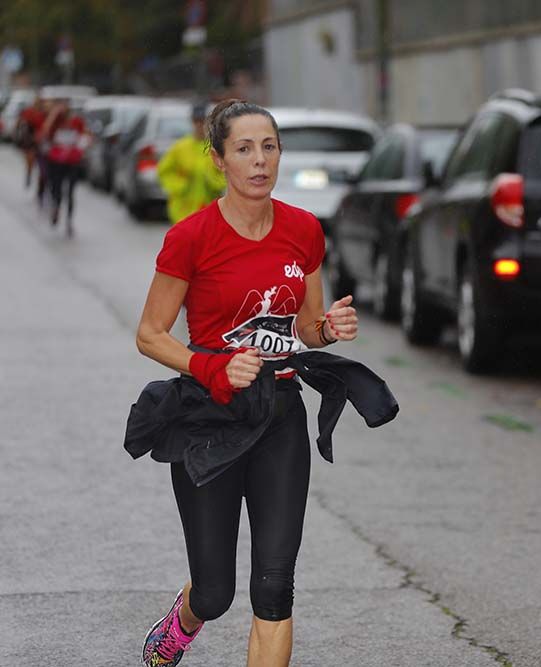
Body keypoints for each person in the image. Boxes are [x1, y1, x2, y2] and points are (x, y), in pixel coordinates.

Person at [134, 99, 365, 667]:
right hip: (209, 417)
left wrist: (328, 328)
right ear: (218, 159)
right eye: (244, 149)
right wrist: (211, 366)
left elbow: (307, 327)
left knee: (274, 588)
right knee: (216, 593)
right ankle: (185, 617)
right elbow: (150, 334)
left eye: (269, 147)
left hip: (279, 413)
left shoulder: (303, 230)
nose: (260, 161)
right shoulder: (191, 239)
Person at [157, 102, 226, 224]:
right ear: (192, 122)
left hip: (209, 214)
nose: (200, 125)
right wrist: (179, 186)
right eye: (197, 121)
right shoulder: (180, 148)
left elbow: (226, 175)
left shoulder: (216, 149)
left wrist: (214, 182)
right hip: (183, 213)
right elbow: (164, 171)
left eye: (203, 121)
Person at [40, 100, 89, 235]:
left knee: (71, 192)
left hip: (72, 161)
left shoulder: (77, 122)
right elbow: (45, 133)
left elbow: (85, 136)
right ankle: (56, 206)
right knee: (56, 188)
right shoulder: (55, 121)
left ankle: (69, 220)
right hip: (56, 161)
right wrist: (53, 116)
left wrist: (82, 147)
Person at [14, 95, 46, 189]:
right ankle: (29, 173)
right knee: (30, 159)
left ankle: (41, 187)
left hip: (41, 141)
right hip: (30, 140)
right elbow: (20, 123)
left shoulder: (44, 113)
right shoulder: (28, 112)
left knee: (42, 166)